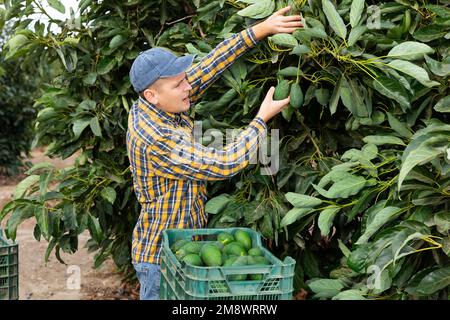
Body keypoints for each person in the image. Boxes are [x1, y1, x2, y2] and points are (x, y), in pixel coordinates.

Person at [126, 6, 304, 300]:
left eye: (184, 79)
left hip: (187, 249)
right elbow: (224, 163)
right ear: (152, 95)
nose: (188, 87)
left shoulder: (162, 100)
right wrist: (260, 121)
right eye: (179, 84)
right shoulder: (154, 136)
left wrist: (262, 29)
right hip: (160, 259)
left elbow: (211, 64)